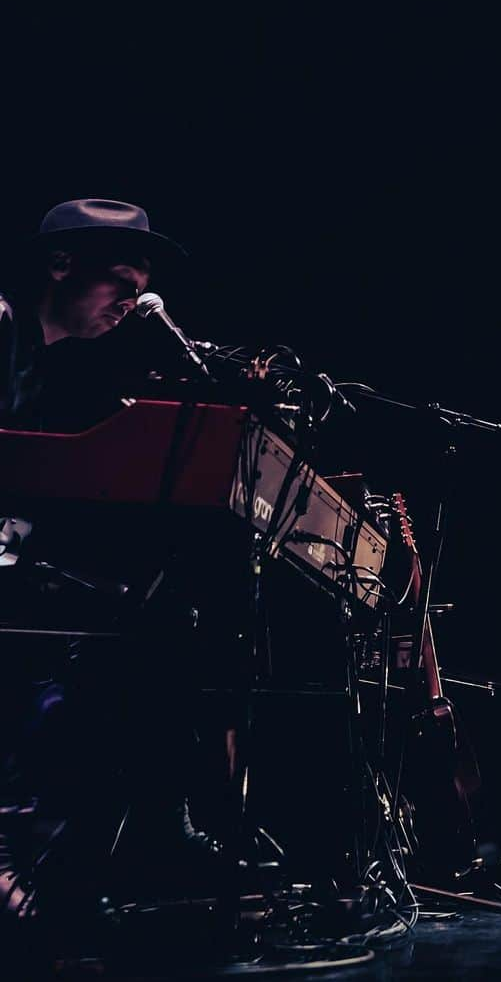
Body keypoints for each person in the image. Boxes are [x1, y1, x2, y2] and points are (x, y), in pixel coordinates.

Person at [0, 198, 219, 936]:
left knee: (161, 614)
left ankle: (136, 836)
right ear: (60, 266)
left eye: (139, 290)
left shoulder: (59, 363)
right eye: (120, 284)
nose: (131, 304)